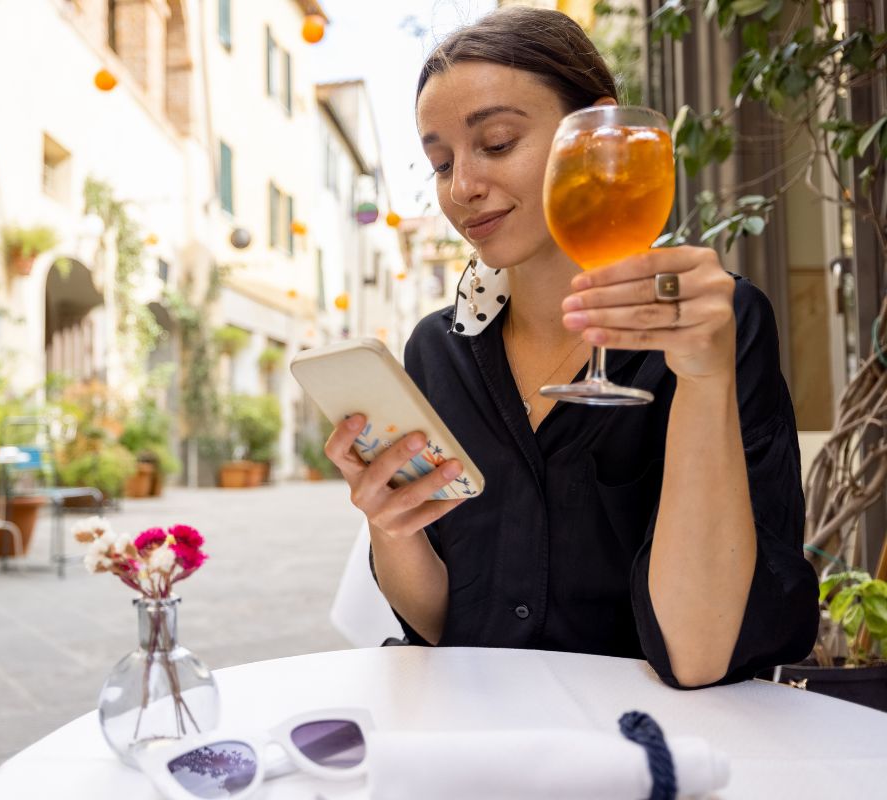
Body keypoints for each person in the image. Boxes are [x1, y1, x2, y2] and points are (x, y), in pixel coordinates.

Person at [324, 6, 818, 689]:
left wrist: (704, 383)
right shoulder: (439, 350)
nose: (462, 186)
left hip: (652, 753)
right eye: (440, 161)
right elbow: (444, 627)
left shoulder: (712, 325)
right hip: (478, 740)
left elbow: (700, 655)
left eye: (495, 143)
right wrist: (391, 524)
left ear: (598, 134)